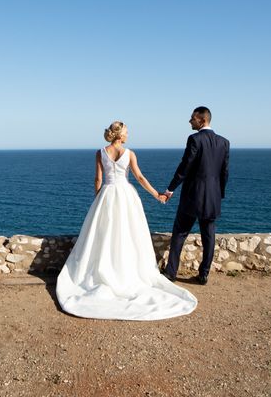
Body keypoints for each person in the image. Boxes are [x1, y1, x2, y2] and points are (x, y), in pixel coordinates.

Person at [56, 121, 197, 320]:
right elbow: (139, 177)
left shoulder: (100, 152)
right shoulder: (129, 153)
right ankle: (125, 270)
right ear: (120, 135)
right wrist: (157, 194)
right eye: (127, 132)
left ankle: (104, 269)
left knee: (104, 233)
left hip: (107, 193)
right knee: (128, 234)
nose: (129, 134)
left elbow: (98, 179)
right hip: (125, 195)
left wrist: (98, 199)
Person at [161, 106, 230, 285]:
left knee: (180, 233)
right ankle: (203, 274)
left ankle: (171, 273)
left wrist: (170, 189)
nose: (190, 121)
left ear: (202, 120)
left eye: (192, 118)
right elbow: (224, 173)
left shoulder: (194, 139)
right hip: (212, 198)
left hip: (192, 197)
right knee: (209, 236)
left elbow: (185, 167)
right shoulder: (224, 142)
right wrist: (218, 194)